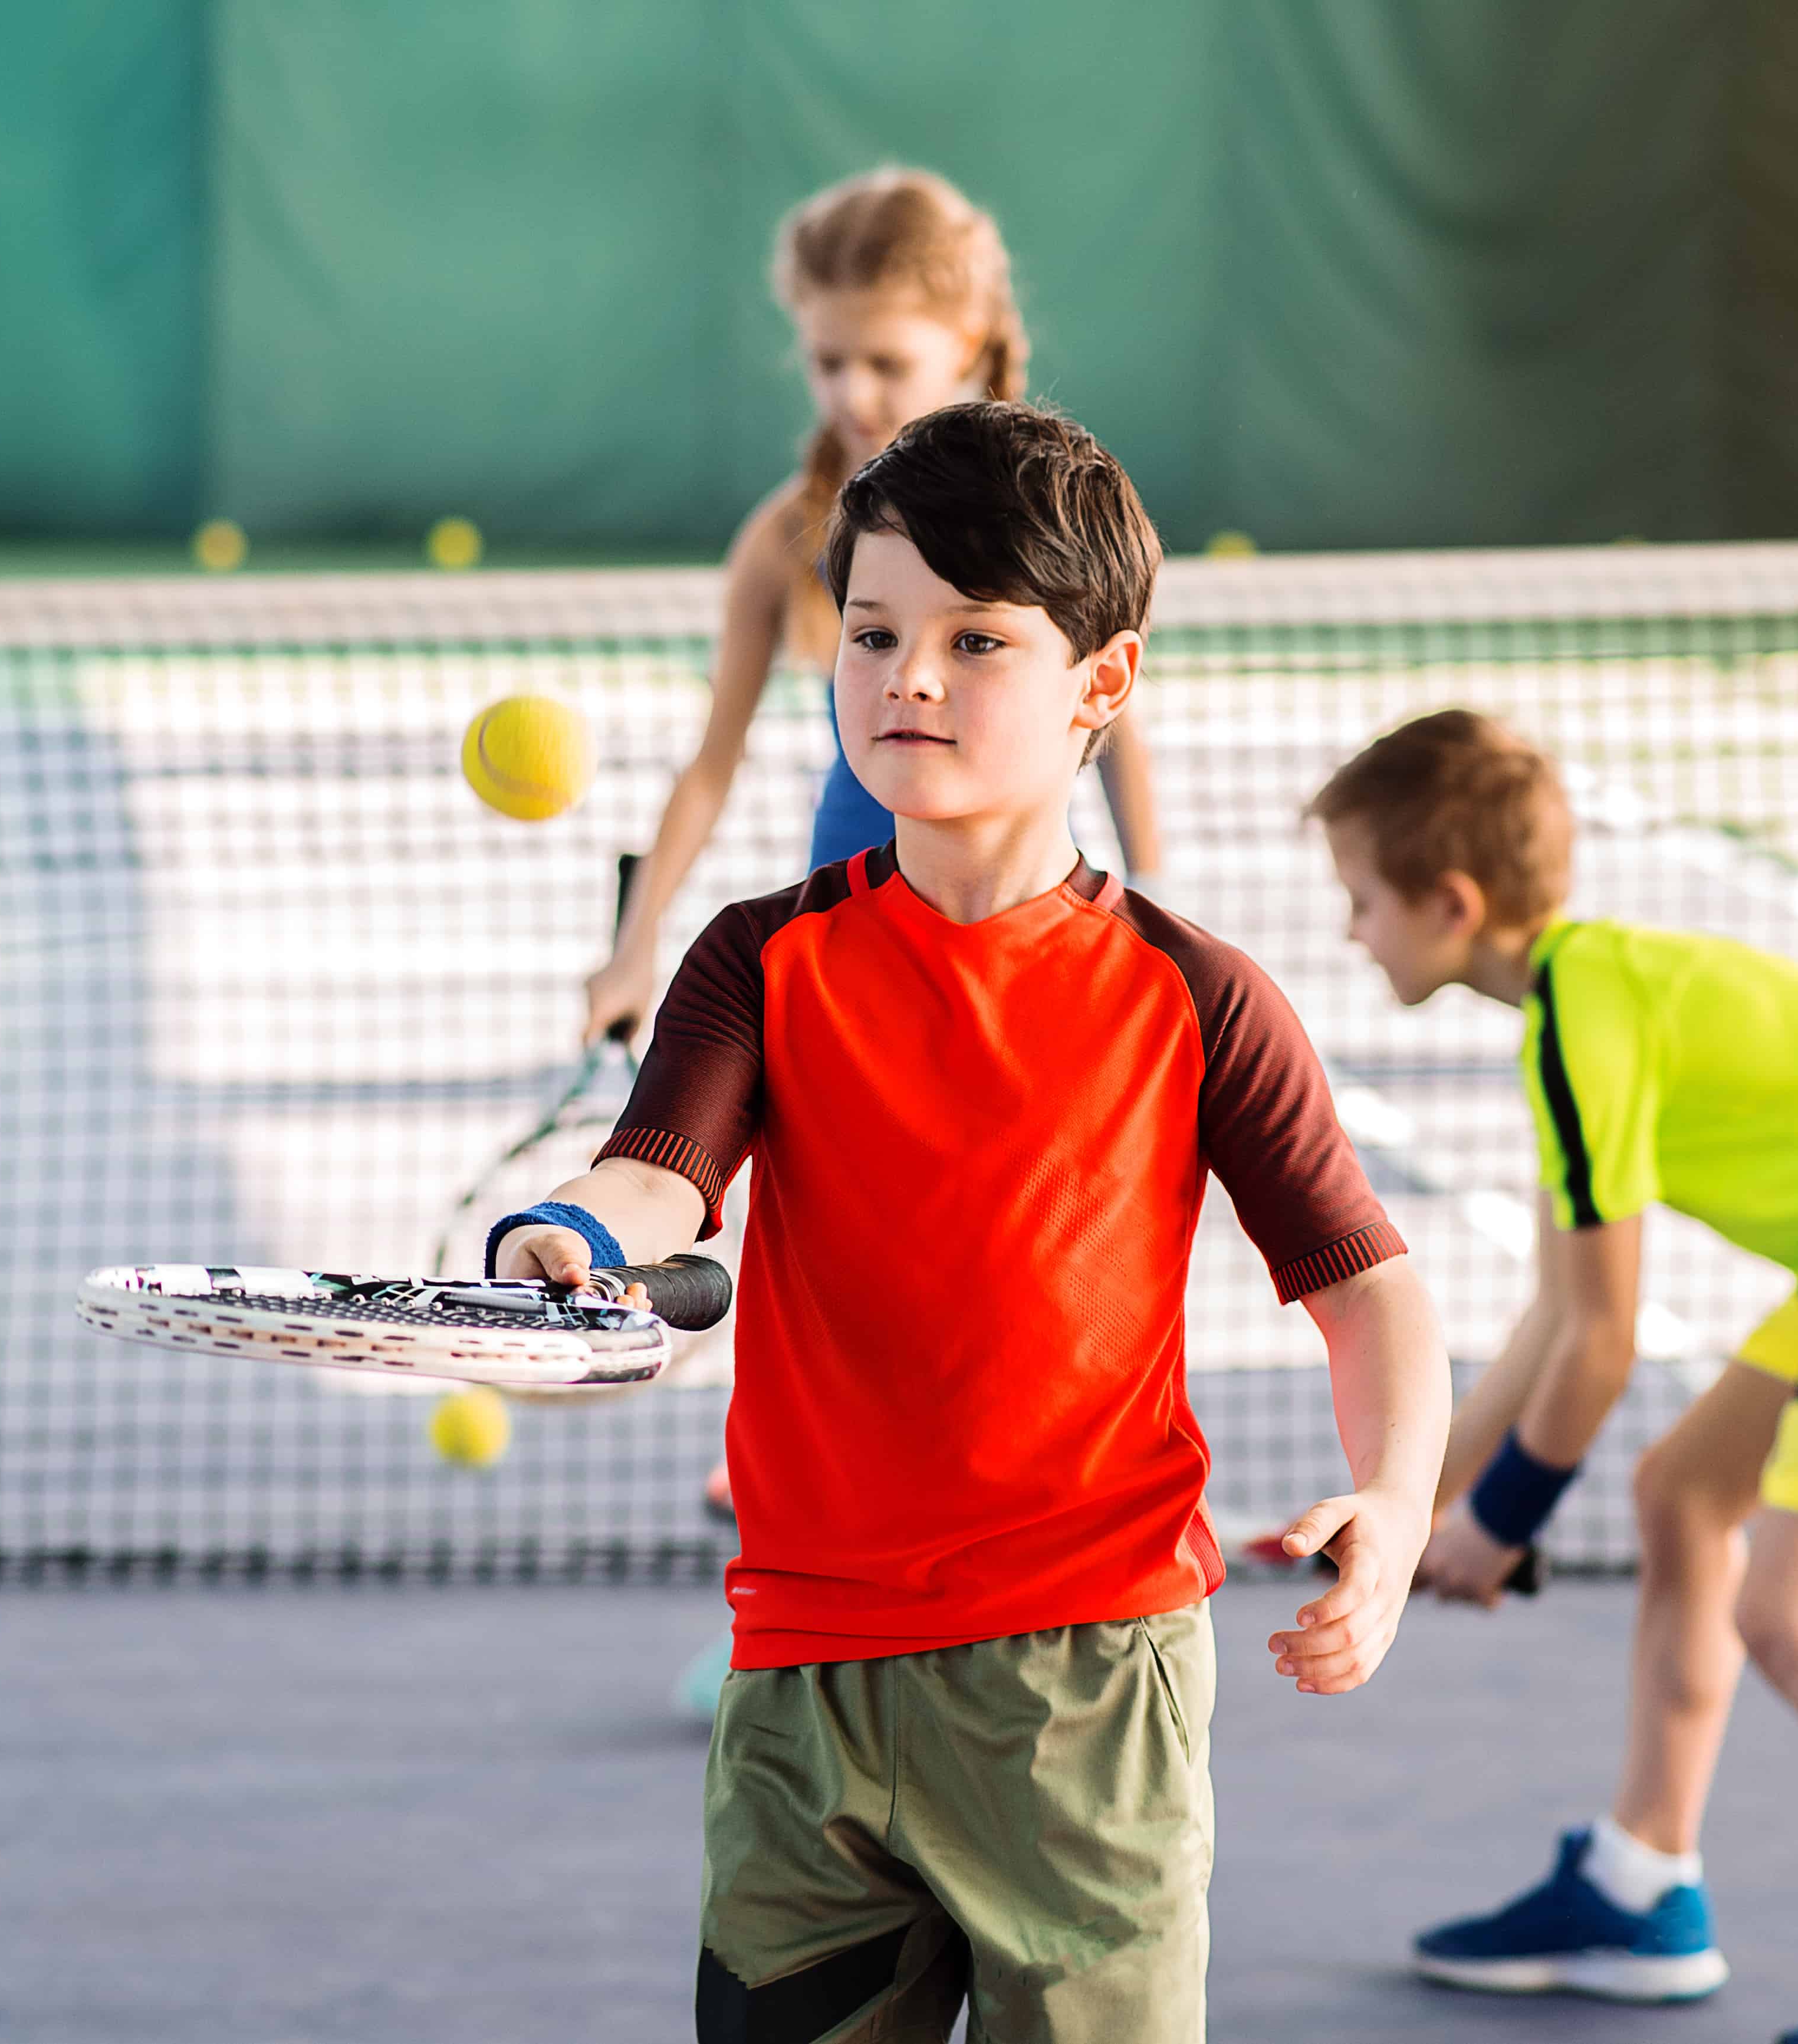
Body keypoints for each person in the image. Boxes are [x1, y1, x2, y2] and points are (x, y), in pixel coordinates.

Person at [492, 403, 1449, 2041]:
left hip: (1090, 1696)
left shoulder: (1200, 996)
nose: (907, 677)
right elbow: (655, 1171)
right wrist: (568, 1231)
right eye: (872, 633)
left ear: (1104, 681)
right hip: (802, 1687)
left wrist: (1402, 1498)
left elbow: (1369, 1288)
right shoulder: (757, 960)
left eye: (974, 639)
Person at [1305, 709, 1798, 2044]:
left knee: (1796, 1619)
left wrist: (1498, 1523)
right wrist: (1407, 1506)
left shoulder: (1581, 1028)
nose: (1351, 932)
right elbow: (1559, 1314)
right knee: (1683, 1494)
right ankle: (1643, 1884)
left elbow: (1602, 1342)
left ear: (1451, 904)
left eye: (1363, 901)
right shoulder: (1581, 1001)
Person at [583, 166, 1165, 1047]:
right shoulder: (781, 539)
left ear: (966, 343)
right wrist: (636, 945)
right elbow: (711, 766)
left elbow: (1120, 738)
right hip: (847, 932)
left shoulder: (1049, 524)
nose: (851, 394)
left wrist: (1156, 902)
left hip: (1016, 915)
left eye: (886, 363)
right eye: (828, 362)